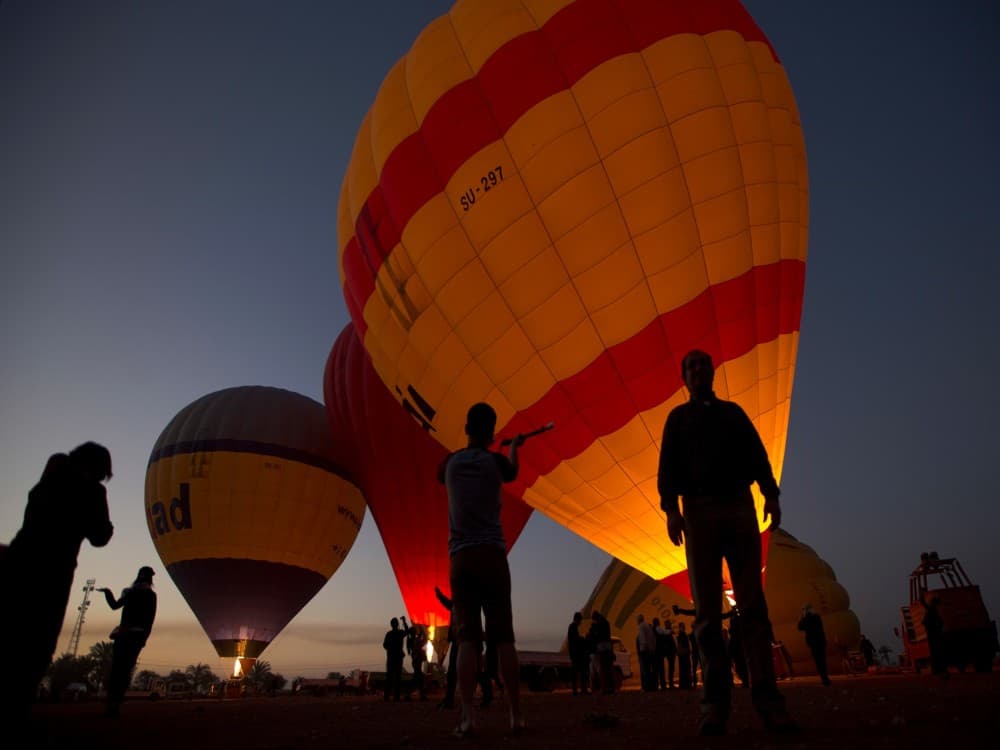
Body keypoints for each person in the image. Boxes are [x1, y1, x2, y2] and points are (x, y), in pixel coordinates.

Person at [658, 350, 796, 736]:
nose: (699, 370)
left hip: (738, 506)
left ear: (712, 372)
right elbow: (667, 469)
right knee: (705, 614)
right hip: (697, 511)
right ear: (684, 377)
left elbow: (757, 456)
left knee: (752, 606)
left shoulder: (733, 414)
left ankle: (769, 704)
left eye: (703, 364)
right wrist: (672, 510)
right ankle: (714, 707)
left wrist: (770, 494)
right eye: (691, 366)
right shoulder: (677, 419)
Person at [0, 443, 114, 726]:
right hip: (54, 574)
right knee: (37, 642)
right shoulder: (92, 492)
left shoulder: (51, 475)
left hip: (19, 560)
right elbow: (100, 536)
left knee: (10, 632)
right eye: (102, 475)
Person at [438, 402, 525, 737]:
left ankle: (468, 717)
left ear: (466, 428)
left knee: (468, 640)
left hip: (461, 558)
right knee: (503, 638)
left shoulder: (451, 463)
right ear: (492, 432)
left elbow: (439, 474)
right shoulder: (496, 462)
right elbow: (512, 473)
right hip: (492, 555)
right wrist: (514, 447)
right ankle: (516, 715)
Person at [100, 565, 157, 717]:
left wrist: (108, 593)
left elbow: (114, 606)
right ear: (151, 579)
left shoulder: (130, 592)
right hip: (136, 637)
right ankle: (115, 704)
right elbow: (150, 620)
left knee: (117, 669)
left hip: (123, 635)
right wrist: (144, 639)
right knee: (125, 670)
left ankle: (111, 704)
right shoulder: (150, 596)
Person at [434, 586, 458, 709]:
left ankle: (451, 700)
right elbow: (449, 604)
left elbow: (449, 604)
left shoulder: (462, 603)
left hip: (462, 641)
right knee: (453, 672)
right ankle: (449, 699)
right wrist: (440, 596)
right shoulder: (456, 604)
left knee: (456, 671)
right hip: (458, 641)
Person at [797, 604, 831, 686]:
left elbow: (800, 627)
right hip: (821, 641)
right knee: (822, 661)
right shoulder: (817, 617)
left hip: (813, 643)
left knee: (818, 661)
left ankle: (824, 679)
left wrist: (801, 618)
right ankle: (826, 678)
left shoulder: (806, 619)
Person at [586, 610, 614, 694]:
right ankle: (610, 688)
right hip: (607, 647)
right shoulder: (606, 622)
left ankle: (604, 688)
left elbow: (597, 636)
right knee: (608, 669)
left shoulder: (599, 624)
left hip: (602, 648)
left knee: (603, 669)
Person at [920, 593, 948, 677]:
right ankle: (938, 669)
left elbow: (924, 604)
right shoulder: (933, 610)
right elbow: (940, 622)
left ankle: (937, 669)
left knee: (935, 651)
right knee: (937, 651)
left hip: (933, 633)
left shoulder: (932, 609)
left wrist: (922, 596)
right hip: (934, 633)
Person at [382, 617, 406, 702]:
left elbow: (384, 645)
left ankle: (387, 696)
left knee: (390, 677)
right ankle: (395, 697)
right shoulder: (400, 633)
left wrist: (390, 648)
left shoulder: (389, 634)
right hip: (397, 658)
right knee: (396, 678)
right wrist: (404, 621)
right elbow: (406, 631)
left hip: (391, 658)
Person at [567, 612, 590, 695]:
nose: (581, 622)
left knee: (575, 672)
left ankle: (576, 689)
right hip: (576, 654)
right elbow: (576, 640)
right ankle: (582, 689)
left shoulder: (572, 627)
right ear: (578, 619)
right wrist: (584, 639)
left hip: (574, 653)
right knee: (582, 671)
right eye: (580, 620)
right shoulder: (573, 627)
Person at [636, 614, 657, 691]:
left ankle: (646, 687)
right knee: (650, 669)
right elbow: (653, 639)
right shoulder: (647, 626)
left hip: (645, 651)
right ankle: (652, 686)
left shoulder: (641, 626)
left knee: (645, 670)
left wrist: (643, 650)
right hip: (651, 650)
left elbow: (643, 639)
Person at [406, 623, 427, 700]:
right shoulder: (416, 641)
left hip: (415, 661)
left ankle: (421, 695)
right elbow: (424, 640)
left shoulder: (411, 641)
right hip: (417, 660)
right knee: (417, 678)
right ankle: (409, 694)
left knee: (419, 677)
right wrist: (422, 628)